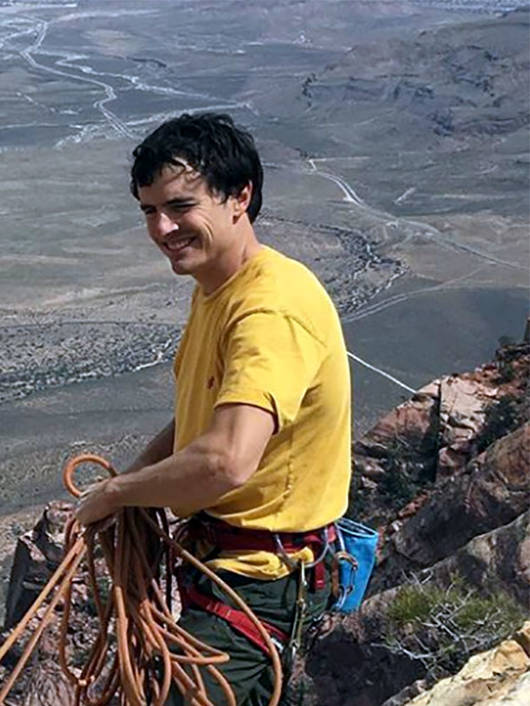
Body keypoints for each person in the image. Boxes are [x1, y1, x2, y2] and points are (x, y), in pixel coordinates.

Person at [74, 113, 351, 705]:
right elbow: (199, 421)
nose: (163, 227)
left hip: (258, 582)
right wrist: (130, 483)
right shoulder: (218, 291)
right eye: (149, 211)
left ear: (239, 196)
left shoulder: (269, 309)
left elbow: (226, 459)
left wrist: (119, 496)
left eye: (180, 205)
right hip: (224, 566)